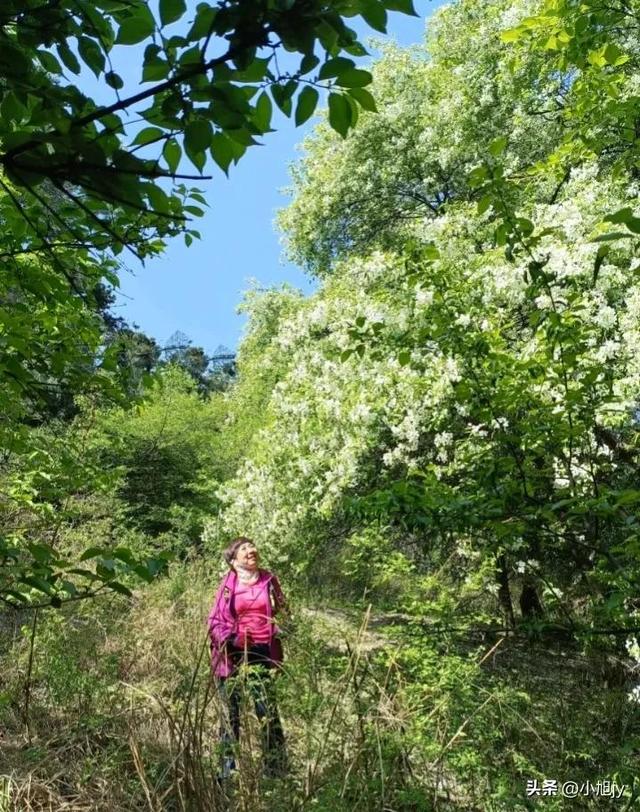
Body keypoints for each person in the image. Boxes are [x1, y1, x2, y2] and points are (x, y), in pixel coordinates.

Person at [207, 537, 288, 779]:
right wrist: (232, 639)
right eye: (244, 548)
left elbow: (284, 610)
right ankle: (226, 771)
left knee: (267, 711)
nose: (251, 550)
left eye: (252, 546)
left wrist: (283, 627)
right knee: (230, 712)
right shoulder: (229, 584)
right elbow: (214, 621)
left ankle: (276, 769)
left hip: (263, 652)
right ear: (233, 560)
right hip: (232, 654)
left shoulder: (269, 580)